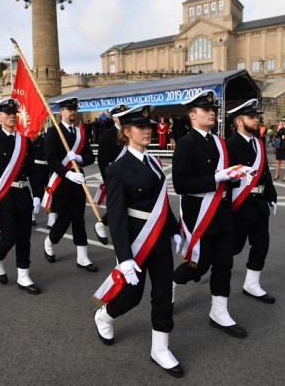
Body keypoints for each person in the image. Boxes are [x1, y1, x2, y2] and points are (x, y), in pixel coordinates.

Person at [92, 104, 184, 378]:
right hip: (135, 242)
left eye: (150, 127)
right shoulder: (117, 169)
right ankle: (105, 315)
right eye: (141, 127)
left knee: (163, 293)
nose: (148, 131)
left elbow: (161, 203)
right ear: (126, 131)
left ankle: (160, 347)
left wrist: (175, 229)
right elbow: (117, 216)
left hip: (159, 238)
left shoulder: (154, 162)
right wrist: (125, 257)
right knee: (131, 296)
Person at [170, 90, 247, 339]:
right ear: (193, 116)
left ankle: (219, 312)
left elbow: (225, 177)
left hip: (222, 212)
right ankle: (171, 283)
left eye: (213, 109)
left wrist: (236, 177)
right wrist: (215, 178)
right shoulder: (186, 143)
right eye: (206, 110)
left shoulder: (220, 142)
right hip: (200, 214)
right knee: (198, 266)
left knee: (224, 263)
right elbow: (181, 184)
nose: (212, 113)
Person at [0, 99, 43, 295]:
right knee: (9, 237)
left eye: (13, 113)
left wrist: (37, 195)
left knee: (25, 237)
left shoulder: (24, 141)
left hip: (23, 193)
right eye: (7, 113)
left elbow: (32, 170)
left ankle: (23, 275)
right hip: (4, 195)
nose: (11, 116)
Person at [226, 99, 278, 305]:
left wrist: (272, 196)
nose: (256, 120)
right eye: (252, 117)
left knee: (261, 244)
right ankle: (203, 266)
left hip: (259, 204)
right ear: (239, 121)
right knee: (232, 248)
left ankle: (252, 284)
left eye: (257, 117)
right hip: (240, 205)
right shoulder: (228, 145)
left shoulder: (259, 143)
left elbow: (264, 172)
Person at [42, 97, 98, 272]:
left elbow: (90, 157)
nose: (73, 112)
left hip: (78, 183)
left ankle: (82, 257)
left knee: (79, 220)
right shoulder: (53, 132)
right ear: (61, 111)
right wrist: (67, 173)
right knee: (64, 219)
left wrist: (80, 158)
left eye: (74, 109)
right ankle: (50, 241)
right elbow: (51, 159)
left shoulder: (81, 132)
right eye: (69, 109)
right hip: (61, 182)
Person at [95, 104, 130, 244]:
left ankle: (104, 224)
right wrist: (107, 179)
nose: (123, 118)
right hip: (114, 176)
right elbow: (102, 160)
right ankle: (102, 224)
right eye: (120, 116)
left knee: (128, 205)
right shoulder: (107, 134)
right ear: (114, 118)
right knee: (118, 206)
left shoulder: (130, 131)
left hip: (129, 174)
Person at [30, 124, 57, 228]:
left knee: (51, 193)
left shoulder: (49, 135)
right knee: (37, 194)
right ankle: (31, 215)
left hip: (49, 168)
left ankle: (51, 218)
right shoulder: (32, 137)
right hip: (37, 167)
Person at [274, 117, 285, 181]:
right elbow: (276, 136)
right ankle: (277, 174)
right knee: (278, 161)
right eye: (283, 121)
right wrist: (278, 130)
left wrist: (281, 130)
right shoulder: (280, 128)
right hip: (280, 145)